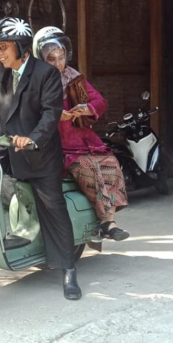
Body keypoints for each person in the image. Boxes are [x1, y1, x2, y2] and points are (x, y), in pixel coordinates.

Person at [0, 17, 82, 301]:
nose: (0, 53)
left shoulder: (46, 74)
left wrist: (32, 138)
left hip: (40, 154)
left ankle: (68, 269)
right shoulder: (2, 75)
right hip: (9, 149)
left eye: (4, 47)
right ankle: (20, 230)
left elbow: (50, 113)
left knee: (53, 207)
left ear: (20, 46)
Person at [32, 26, 130, 241]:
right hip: (60, 144)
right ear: (41, 59)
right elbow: (32, 112)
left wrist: (87, 109)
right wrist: (55, 116)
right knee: (88, 169)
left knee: (110, 164)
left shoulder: (75, 79)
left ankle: (109, 223)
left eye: (61, 57)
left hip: (85, 140)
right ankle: (104, 222)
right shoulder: (37, 84)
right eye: (52, 59)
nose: (58, 64)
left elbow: (100, 101)